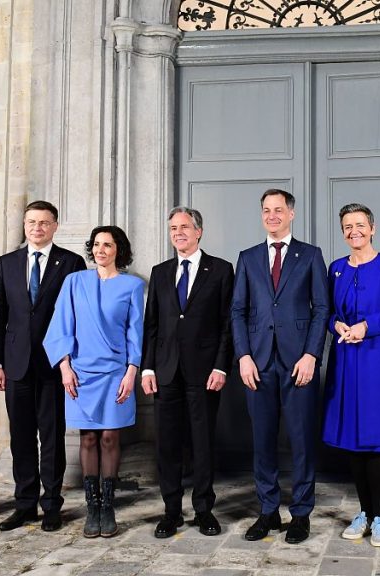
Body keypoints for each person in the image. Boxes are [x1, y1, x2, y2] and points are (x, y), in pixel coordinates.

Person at [231, 188, 328, 544]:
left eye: (278, 210)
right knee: (262, 441)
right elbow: (238, 311)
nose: (272, 216)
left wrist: (311, 355)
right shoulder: (248, 257)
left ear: (291, 214)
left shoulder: (311, 255)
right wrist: (243, 356)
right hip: (257, 362)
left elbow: (321, 309)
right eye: (266, 211)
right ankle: (268, 510)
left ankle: (301, 513)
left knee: (302, 441)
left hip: (298, 362)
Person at [0, 201, 87, 532]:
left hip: (54, 366)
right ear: (25, 225)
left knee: (53, 436)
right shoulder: (7, 263)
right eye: (31, 222)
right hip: (15, 365)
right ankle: (25, 505)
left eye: (44, 223)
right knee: (22, 438)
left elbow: (76, 315)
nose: (37, 228)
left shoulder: (71, 262)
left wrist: (69, 361)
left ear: (55, 226)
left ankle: (52, 505)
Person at [44, 225, 145, 538]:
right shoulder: (75, 281)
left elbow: (135, 331)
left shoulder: (133, 286)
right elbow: (61, 324)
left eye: (108, 245)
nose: (101, 250)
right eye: (97, 245)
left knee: (110, 438)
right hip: (80, 372)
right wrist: (64, 367)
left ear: (119, 250)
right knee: (87, 438)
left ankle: (109, 505)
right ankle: (93, 506)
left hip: (116, 372)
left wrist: (132, 371)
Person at [141, 207, 234, 539]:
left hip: (205, 371)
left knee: (202, 443)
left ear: (199, 231)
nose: (178, 233)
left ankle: (204, 509)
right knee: (167, 443)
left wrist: (222, 365)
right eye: (172, 228)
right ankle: (171, 511)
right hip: (166, 371)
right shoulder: (161, 271)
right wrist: (147, 366)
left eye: (184, 227)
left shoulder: (221, 270)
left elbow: (227, 324)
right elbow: (152, 324)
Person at [323, 203, 380, 548]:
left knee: (376, 440)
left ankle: (379, 518)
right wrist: (337, 324)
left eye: (359, 225)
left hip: (379, 365)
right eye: (347, 226)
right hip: (346, 362)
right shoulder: (336, 269)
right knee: (354, 441)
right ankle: (362, 511)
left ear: (372, 228)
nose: (353, 231)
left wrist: (367, 326)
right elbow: (328, 313)